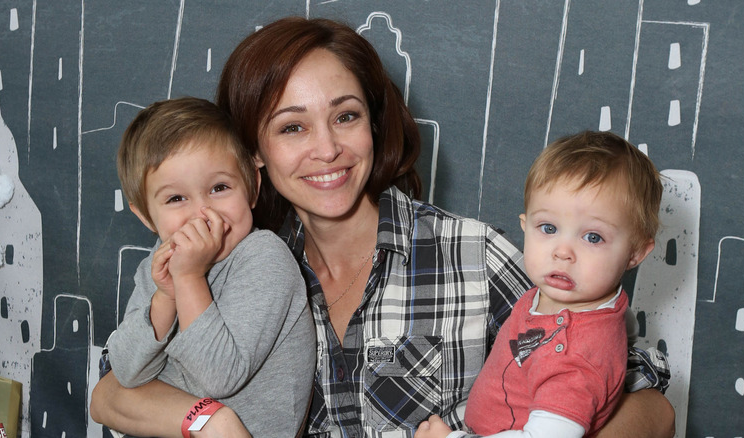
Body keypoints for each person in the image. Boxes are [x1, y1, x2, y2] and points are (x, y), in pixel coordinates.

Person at [90, 17, 675, 438]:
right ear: (252, 156)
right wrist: (209, 419)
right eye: (292, 128)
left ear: (374, 123)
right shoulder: (226, 268)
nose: (327, 149)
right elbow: (112, 393)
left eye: (346, 116)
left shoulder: (471, 255)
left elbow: (648, 401)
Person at [415, 131, 663, 438]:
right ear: (525, 225)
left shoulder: (574, 359)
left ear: (635, 253)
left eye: (593, 237)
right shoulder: (565, 298)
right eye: (548, 228)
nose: (562, 251)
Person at [101, 96, 315, 437]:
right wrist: (165, 298)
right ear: (145, 216)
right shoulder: (155, 266)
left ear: (252, 188)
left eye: (219, 188)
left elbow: (219, 377)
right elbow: (126, 372)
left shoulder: (264, 257)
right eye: (176, 198)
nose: (203, 212)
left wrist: (188, 278)